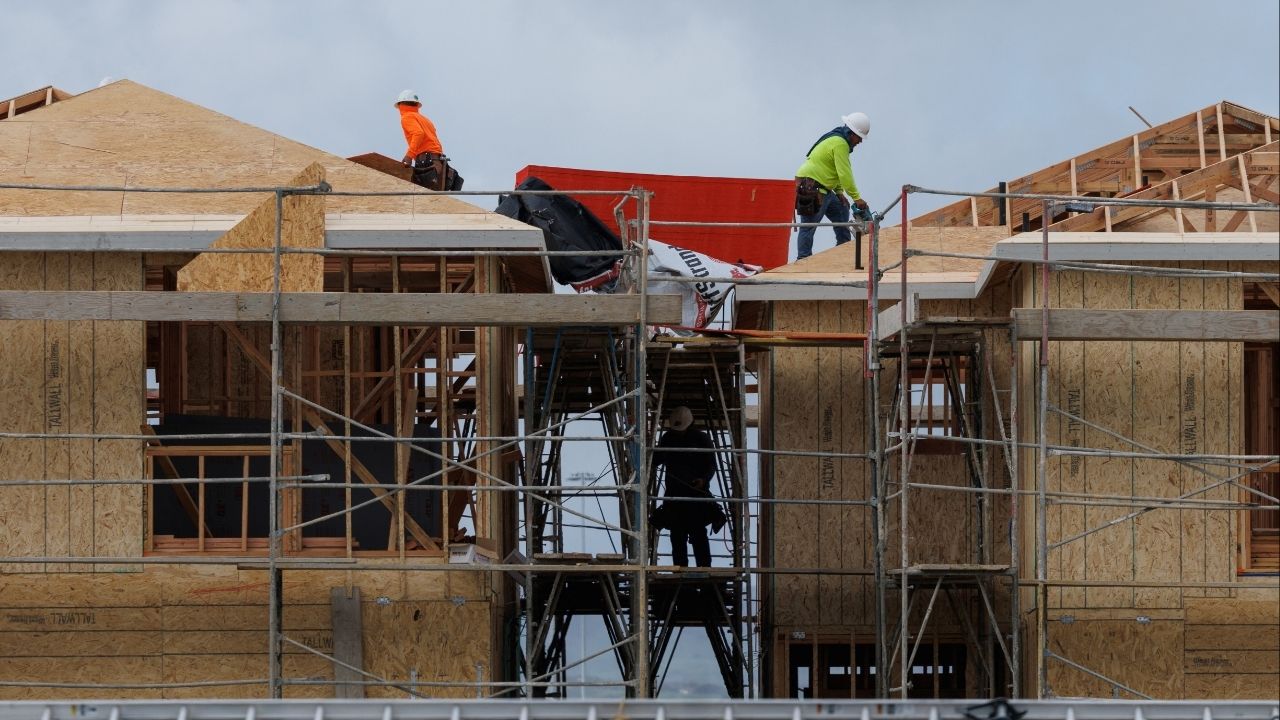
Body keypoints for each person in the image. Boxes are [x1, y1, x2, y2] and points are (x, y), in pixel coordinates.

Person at [652, 406, 724, 568]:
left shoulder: (701, 439)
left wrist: (703, 480)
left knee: (698, 534)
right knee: (677, 536)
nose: (679, 433)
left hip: (696, 495)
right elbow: (656, 460)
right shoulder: (668, 438)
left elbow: (711, 464)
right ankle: (680, 573)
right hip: (675, 496)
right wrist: (648, 445)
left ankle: (704, 570)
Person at [793, 111, 871, 260]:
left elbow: (833, 170)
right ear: (851, 133)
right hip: (811, 187)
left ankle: (843, 250)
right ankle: (803, 260)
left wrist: (840, 193)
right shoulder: (840, 144)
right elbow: (844, 174)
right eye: (859, 138)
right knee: (808, 226)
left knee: (841, 210)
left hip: (823, 187)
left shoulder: (837, 140)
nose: (859, 142)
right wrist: (857, 198)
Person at [395, 89, 462, 191]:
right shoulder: (425, 119)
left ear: (400, 104)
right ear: (417, 104)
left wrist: (409, 155)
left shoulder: (407, 117)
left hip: (426, 162)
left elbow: (418, 133)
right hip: (437, 161)